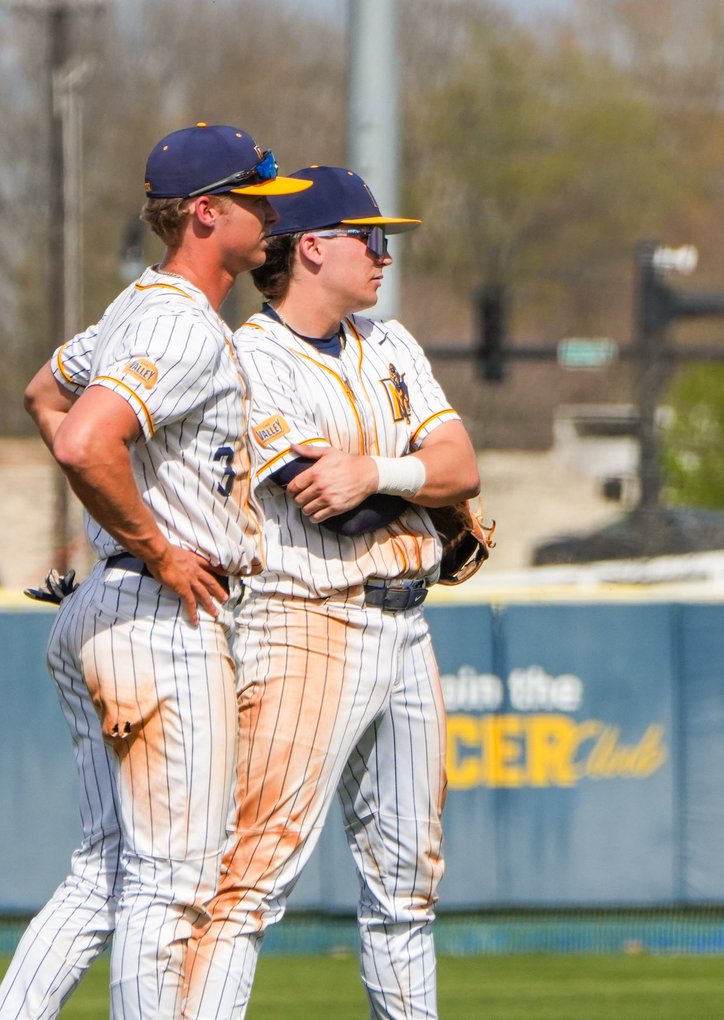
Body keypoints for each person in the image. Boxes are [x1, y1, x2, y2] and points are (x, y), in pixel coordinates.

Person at [0, 123, 311, 1019]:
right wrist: (157, 546)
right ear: (205, 213)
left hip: (113, 604)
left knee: (104, 868)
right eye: (256, 199)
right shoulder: (178, 324)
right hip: (159, 616)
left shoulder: (134, 309)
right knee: (170, 884)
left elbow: (44, 393)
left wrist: (120, 534)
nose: (269, 214)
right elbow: (88, 440)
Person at [180, 165, 480, 1019]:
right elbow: (330, 506)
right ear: (312, 247)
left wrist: (380, 471)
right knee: (250, 882)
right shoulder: (247, 358)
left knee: (408, 887)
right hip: (305, 623)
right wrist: (413, 482)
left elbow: (464, 469)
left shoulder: (391, 343)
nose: (385, 255)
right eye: (370, 237)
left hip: (407, 626)